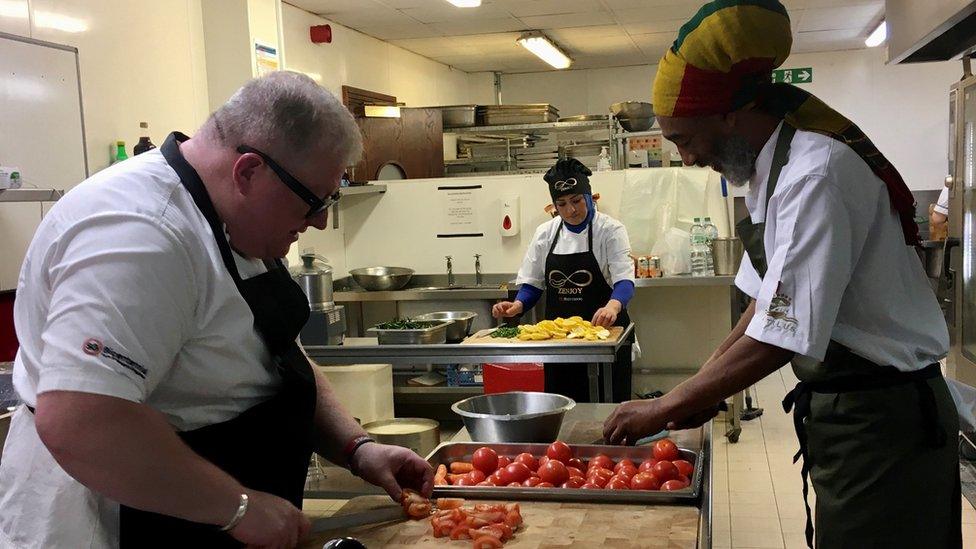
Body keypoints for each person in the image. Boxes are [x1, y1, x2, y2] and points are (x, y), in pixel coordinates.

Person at [0, 71, 433, 548]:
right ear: (247, 171)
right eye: (313, 202)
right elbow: (82, 420)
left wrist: (355, 448)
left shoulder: (235, 216)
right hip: (126, 519)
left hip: (208, 510)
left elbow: (274, 353)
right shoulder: (143, 235)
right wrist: (237, 506)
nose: (321, 220)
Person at [602, 1, 961, 547]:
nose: (689, 158)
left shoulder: (815, 174)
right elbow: (760, 308)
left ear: (729, 114)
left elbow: (780, 334)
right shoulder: (772, 175)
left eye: (685, 138)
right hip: (851, 415)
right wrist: (694, 390)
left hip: (884, 421)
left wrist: (665, 405)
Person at [492, 158, 636, 403]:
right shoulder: (545, 233)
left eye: (577, 201)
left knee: (608, 408)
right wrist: (517, 306)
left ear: (591, 197)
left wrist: (612, 307)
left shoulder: (610, 230)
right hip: (558, 343)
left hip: (604, 336)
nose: (571, 210)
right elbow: (532, 283)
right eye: (562, 204)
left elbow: (624, 281)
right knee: (563, 408)